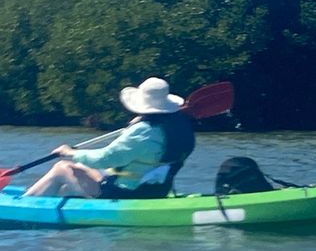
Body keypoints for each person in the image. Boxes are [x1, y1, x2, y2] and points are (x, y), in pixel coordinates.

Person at [24, 77, 195, 198]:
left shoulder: (142, 131)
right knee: (80, 167)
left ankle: (24, 204)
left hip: (125, 193)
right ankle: (53, 202)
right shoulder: (180, 129)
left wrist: (70, 152)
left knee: (62, 167)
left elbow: (106, 159)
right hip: (157, 190)